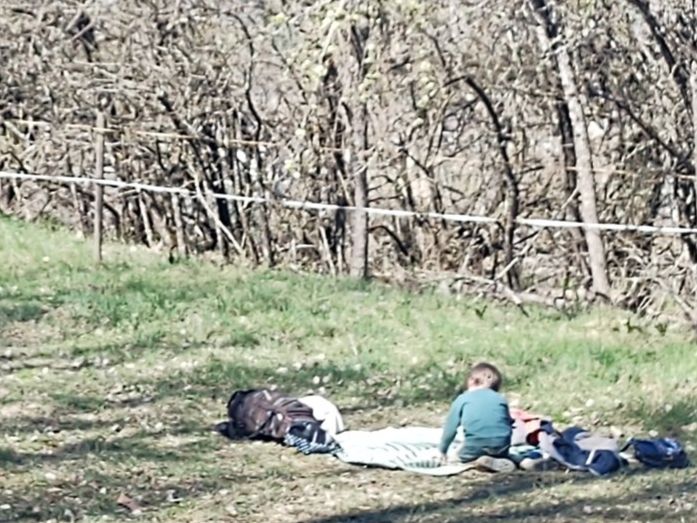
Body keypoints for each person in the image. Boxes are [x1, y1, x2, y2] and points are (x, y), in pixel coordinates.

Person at [439, 362, 515, 472]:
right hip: (501, 447)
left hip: (475, 446)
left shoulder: (463, 399)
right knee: (504, 453)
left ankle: (476, 461)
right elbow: (508, 423)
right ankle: (518, 461)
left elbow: (450, 428)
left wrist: (442, 450)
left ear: (472, 381)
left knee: (455, 458)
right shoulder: (501, 399)